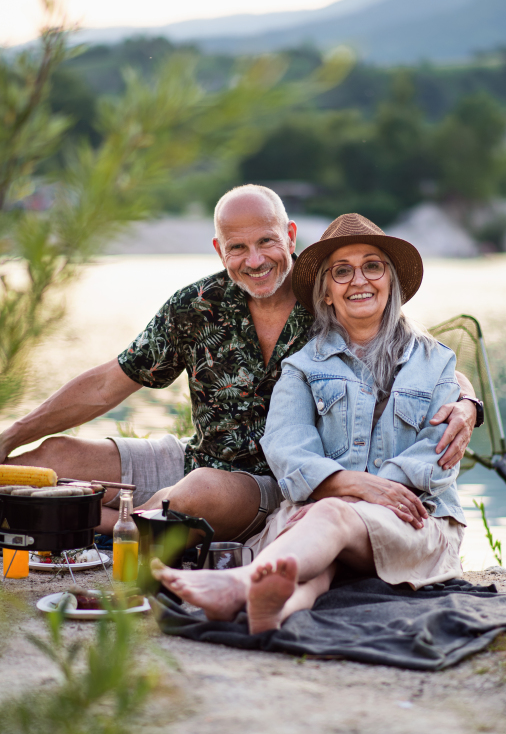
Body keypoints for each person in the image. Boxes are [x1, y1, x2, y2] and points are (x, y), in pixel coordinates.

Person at [0, 187, 478, 543]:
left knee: (195, 495)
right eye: (237, 248)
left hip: (285, 483)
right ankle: (88, 520)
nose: (255, 261)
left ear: (290, 236)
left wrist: (466, 400)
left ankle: (93, 528)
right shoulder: (197, 306)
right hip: (195, 456)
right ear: (219, 249)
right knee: (52, 458)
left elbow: (413, 356)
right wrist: (12, 434)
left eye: (267, 242)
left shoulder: (331, 297)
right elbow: (109, 383)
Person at [154, 213, 466, 634]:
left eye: (372, 266)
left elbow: (438, 455)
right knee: (315, 564)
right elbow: (285, 447)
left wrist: (359, 495)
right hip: (325, 520)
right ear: (328, 293)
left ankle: (238, 584)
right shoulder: (302, 366)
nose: (359, 280)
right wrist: (351, 486)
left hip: (415, 522)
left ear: (391, 281)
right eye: (342, 272)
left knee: (331, 517)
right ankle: (275, 611)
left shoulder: (436, 362)